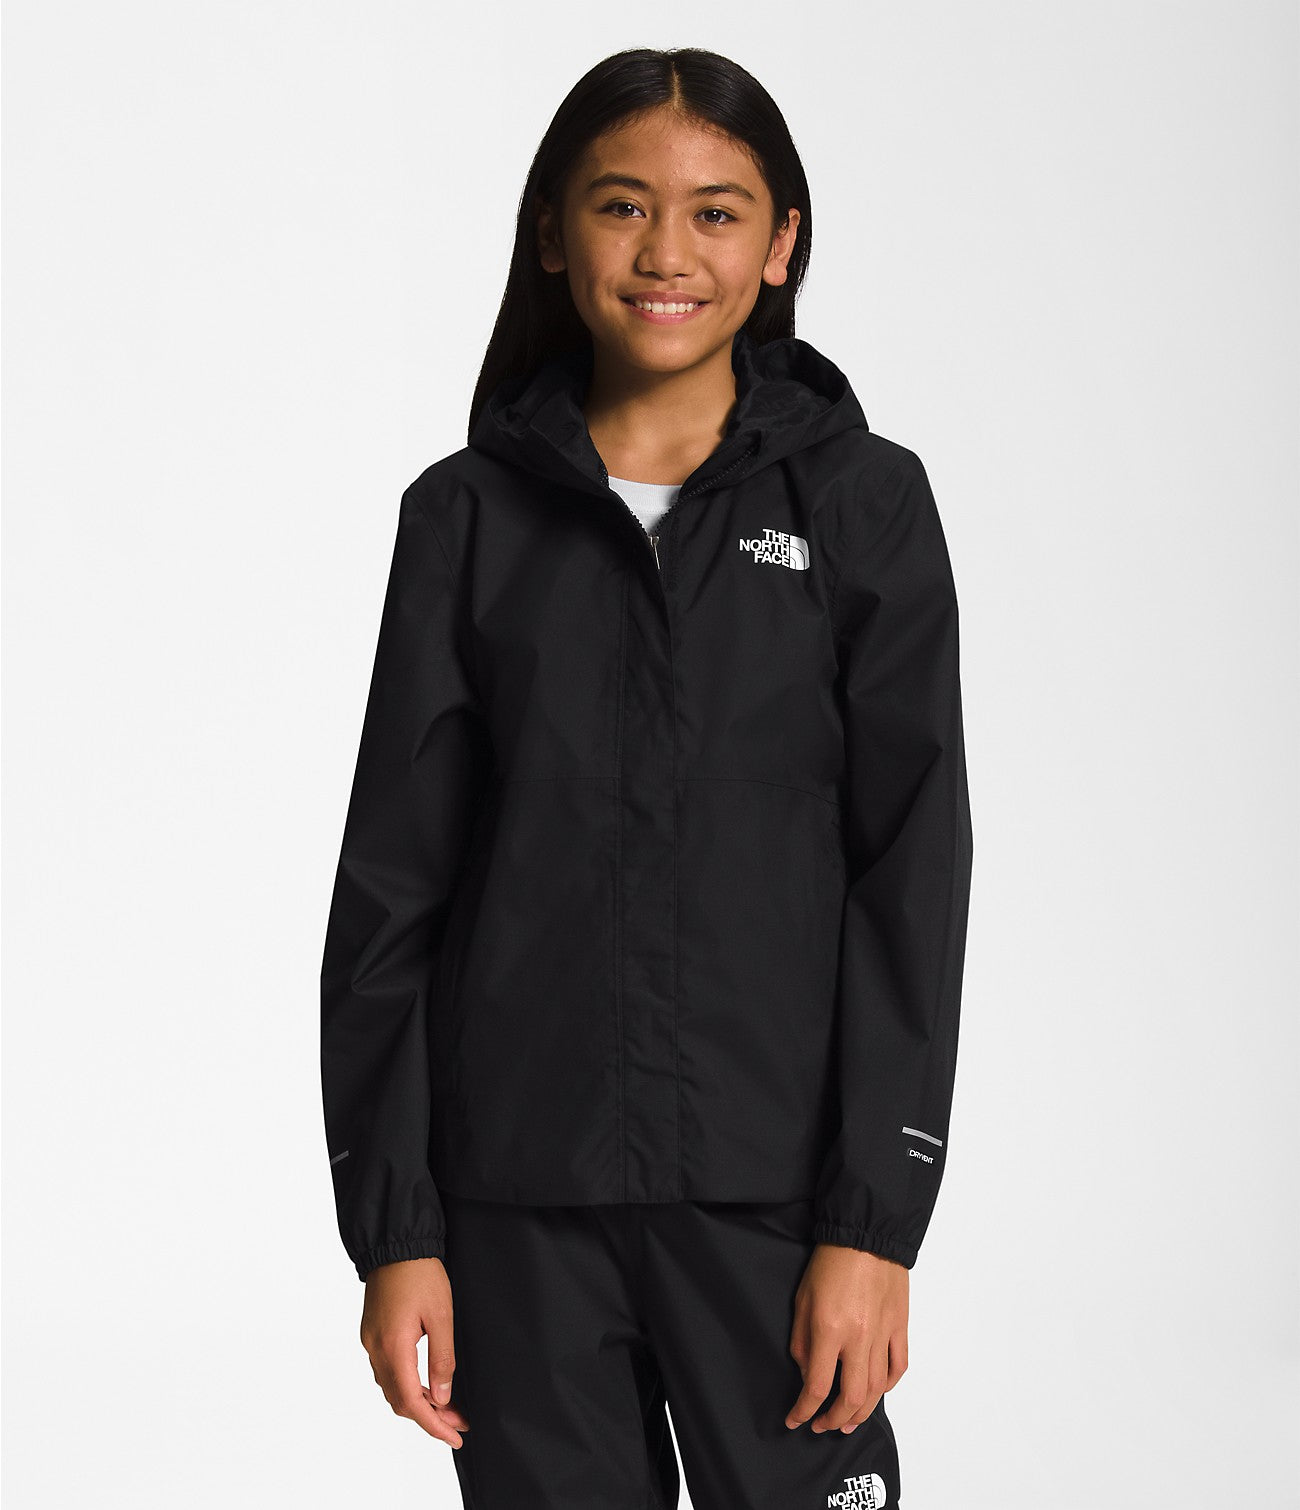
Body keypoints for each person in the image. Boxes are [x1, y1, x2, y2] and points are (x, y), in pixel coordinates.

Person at [320, 45, 973, 1510]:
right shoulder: (465, 520)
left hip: (778, 1208)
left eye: (717, 212)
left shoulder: (863, 506)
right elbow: (392, 895)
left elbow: (911, 881)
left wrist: (875, 1224)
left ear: (782, 242)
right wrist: (398, 1230)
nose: (668, 252)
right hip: (517, 1210)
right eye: (621, 205)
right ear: (554, 233)